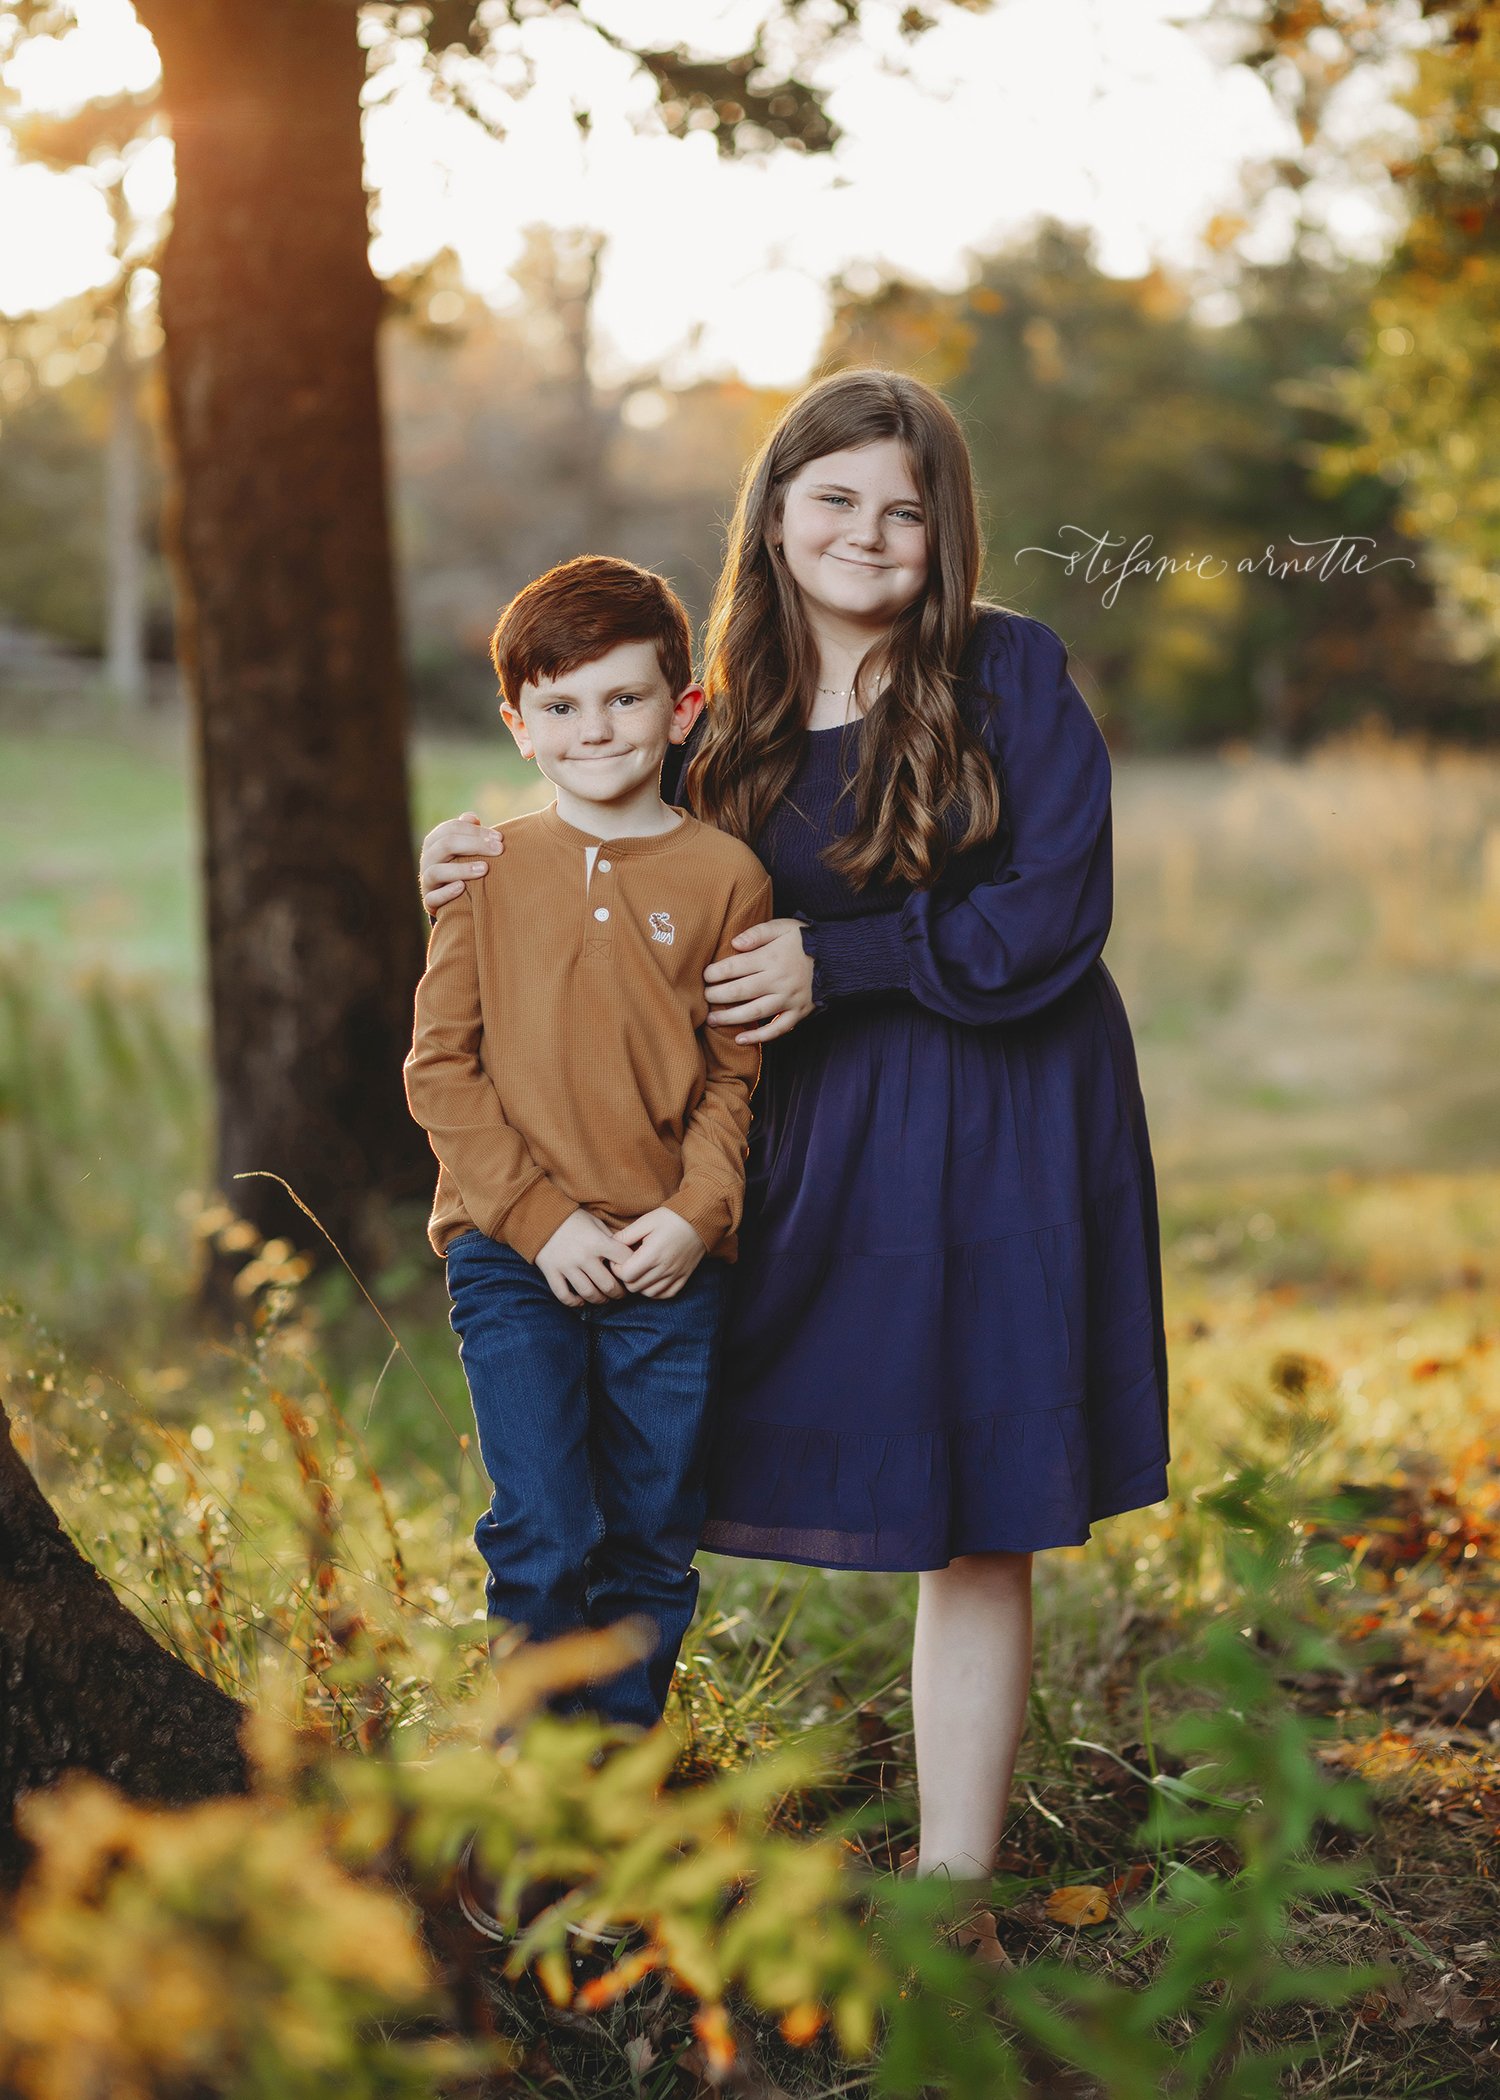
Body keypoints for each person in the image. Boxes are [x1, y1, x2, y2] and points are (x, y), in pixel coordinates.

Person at [417, 370, 1171, 1927]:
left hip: (1002, 1122)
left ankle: (952, 1890)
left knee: (974, 1507)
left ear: (945, 533)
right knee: (639, 1478)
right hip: (799, 1136)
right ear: (773, 511)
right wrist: (477, 855)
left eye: (905, 507)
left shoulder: (1008, 674)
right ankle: (576, 1825)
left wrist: (849, 958)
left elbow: (1055, 908)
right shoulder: (724, 720)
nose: (868, 532)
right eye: (833, 496)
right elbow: (604, 820)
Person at [403, 554, 773, 1748]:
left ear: (684, 710)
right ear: (518, 725)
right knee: (547, 1525)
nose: (594, 728)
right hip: (513, 1255)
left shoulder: (728, 877)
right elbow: (438, 1068)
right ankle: (525, 1784)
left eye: (623, 698)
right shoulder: (486, 870)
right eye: (560, 706)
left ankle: (613, 1787)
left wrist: (698, 1212)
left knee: (652, 1532)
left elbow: (733, 1075)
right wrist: (536, 1220)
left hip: (668, 1260)